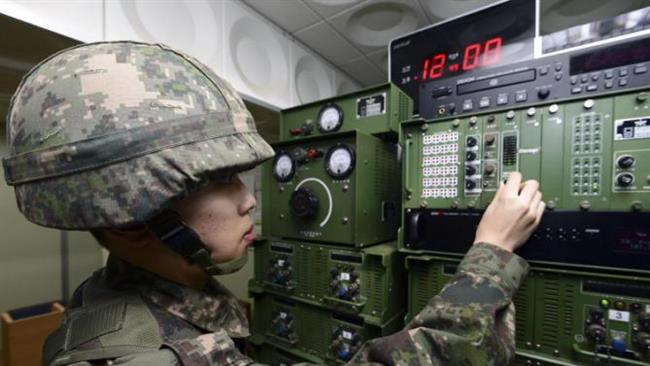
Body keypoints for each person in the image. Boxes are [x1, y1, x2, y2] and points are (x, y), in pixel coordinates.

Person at [2, 41, 544, 366]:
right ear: (131, 217)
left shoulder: (122, 291)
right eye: (219, 181)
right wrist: (490, 252)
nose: (249, 200)